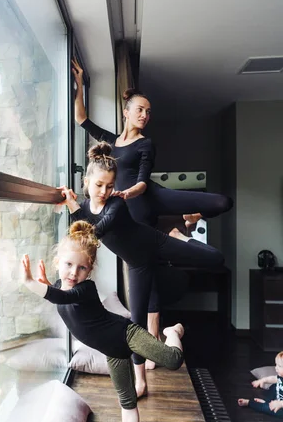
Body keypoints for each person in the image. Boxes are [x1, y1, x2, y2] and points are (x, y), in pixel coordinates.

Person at [72, 58, 233, 350]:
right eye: (140, 110)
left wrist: (127, 192)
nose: (145, 115)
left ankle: (192, 216)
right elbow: (81, 119)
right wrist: (80, 84)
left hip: (148, 196)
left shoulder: (146, 144)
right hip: (133, 217)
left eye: (148, 112)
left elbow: (144, 181)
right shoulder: (111, 143)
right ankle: (153, 344)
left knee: (223, 201)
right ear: (126, 113)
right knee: (148, 277)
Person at [58, 142, 224, 397]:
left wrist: (73, 207)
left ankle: (180, 236)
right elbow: (84, 230)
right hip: (136, 265)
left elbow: (95, 231)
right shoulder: (86, 208)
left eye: (110, 186)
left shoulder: (116, 205)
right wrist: (71, 203)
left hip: (156, 243)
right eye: (99, 185)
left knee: (215, 258)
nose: (104, 191)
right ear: (87, 181)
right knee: (136, 328)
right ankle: (140, 381)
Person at [21, 220, 184, 422]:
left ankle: (173, 331)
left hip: (127, 334)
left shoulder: (85, 289)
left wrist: (30, 282)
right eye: (68, 264)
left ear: (90, 270)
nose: (73, 273)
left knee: (174, 360)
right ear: (57, 262)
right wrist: (47, 283)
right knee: (127, 402)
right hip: (113, 351)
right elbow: (59, 292)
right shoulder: (60, 285)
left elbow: (63, 298)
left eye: (82, 268)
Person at [238, 352, 283, 417]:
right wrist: (262, 380)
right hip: (278, 400)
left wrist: (280, 404)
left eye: (279, 366)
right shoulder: (281, 377)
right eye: (276, 365)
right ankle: (267, 402)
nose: (276, 368)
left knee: (273, 410)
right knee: (274, 386)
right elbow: (273, 378)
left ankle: (250, 403)